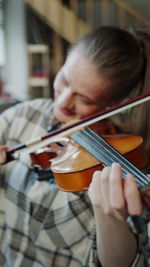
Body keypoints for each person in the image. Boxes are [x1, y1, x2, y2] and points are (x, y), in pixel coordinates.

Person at [0, 25, 149, 267]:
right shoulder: (22, 116)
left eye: (85, 99)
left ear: (116, 104)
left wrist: (110, 218)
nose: (63, 100)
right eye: (64, 80)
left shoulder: (113, 163)